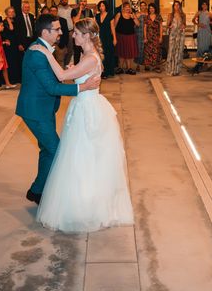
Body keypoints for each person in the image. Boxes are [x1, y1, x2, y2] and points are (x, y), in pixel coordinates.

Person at [29, 17, 134, 232]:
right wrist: (75, 71)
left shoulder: (90, 58)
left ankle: (84, 205)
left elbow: (61, 76)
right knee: (81, 156)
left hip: (87, 112)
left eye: (76, 33)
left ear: (86, 36)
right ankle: (84, 200)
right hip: (84, 107)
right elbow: (76, 75)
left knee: (82, 156)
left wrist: (46, 53)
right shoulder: (87, 55)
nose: (72, 35)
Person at [15, 14, 100, 206]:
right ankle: (38, 190)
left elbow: (56, 76)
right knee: (55, 150)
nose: (62, 32)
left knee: (47, 150)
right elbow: (53, 87)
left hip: (45, 109)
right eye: (57, 29)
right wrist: (82, 87)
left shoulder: (45, 49)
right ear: (45, 32)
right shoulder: (38, 54)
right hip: (35, 111)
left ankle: (37, 191)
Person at [0, 18, 16, 90]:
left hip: (1, 53)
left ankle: (7, 83)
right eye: (2, 26)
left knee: (5, 68)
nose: (3, 27)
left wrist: (4, 42)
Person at [114, 3, 139, 75]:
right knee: (121, 53)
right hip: (120, 36)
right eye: (126, 7)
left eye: (129, 7)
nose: (128, 8)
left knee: (129, 53)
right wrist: (113, 36)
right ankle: (120, 68)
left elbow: (138, 24)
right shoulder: (119, 14)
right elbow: (114, 26)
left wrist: (133, 17)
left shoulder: (132, 15)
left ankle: (129, 68)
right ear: (123, 8)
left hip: (130, 36)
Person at [95, 0, 116, 77]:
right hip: (99, 37)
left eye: (103, 6)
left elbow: (112, 28)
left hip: (108, 37)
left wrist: (114, 38)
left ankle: (108, 71)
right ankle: (102, 71)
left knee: (108, 54)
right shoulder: (97, 16)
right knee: (100, 54)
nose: (101, 7)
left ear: (105, 6)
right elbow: (95, 28)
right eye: (100, 6)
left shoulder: (110, 15)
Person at [2, 6, 23, 84]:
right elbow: (11, 29)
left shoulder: (16, 21)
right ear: (6, 13)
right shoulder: (4, 22)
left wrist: (19, 44)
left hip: (15, 44)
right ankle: (9, 81)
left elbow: (17, 33)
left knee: (15, 62)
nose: (11, 13)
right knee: (9, 62)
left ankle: (15, 79)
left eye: (12, 11)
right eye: (9, 12)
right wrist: (8, 20)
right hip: (8, 45)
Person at [166, 0, 186, 76]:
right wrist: (169, 26)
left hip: (180, 35)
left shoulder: (183, 15)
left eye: (178, 5)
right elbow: (167, 26)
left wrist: (183, 26)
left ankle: (177, 70)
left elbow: (184, 25)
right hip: (173, 35)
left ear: (180, 6)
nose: (176, 7)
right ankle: (170, 69)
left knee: (179, 51)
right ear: (173, 6)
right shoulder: (170, 15)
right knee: (171, 51)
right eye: (175, 5)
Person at [143, 2, 163, 73]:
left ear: (155, 9)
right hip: (148, 37)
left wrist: (161, 37)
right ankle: (148, 66)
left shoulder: (159, 17)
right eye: (150, 8)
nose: (151, 9)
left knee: (157, 51)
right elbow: (145, 28)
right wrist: (145, 37)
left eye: (152, 8)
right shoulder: (146, 17)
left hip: (156, 36)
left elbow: (161, 27)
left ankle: (156, 66)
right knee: (148, 51)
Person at [135, 0, 147, 70]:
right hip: (139, 33)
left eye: (144, 5)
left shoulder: (148, 14)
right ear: (140, 7)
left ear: (146, 6)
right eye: (141, 6)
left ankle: (146, 64)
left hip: (146, 33)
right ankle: (138, 65)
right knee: (139, 49)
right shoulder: (137, 14)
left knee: (146, 49)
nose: (143, 7)